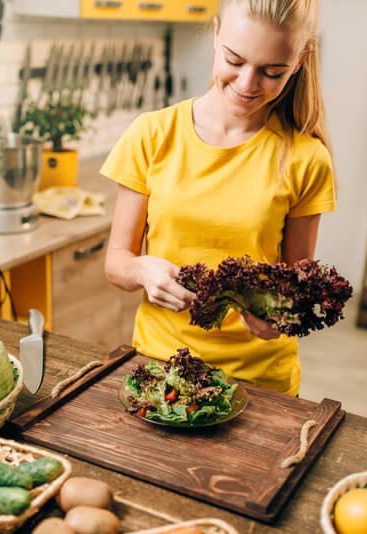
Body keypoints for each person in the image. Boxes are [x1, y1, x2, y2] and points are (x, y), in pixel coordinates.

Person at [101, 0, 335, 396]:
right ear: (215, 33)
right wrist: (144, 271)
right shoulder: (152, 134)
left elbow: (296, 286)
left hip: (260, 381)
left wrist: (280, 316)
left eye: (271, 71)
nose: (247, 84)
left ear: (300, 60)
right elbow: (116, 262)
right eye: (234, 60)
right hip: (162, 368)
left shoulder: (306, 158)